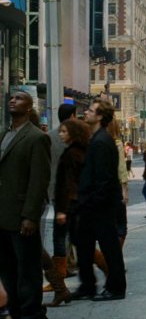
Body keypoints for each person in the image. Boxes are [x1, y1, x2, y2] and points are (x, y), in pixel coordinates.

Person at [0, 91, 51, 318]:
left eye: (19, 98)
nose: (13, 100)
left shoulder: (36, 137)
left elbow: (39, 180)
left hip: (22, 217)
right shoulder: (4, 135)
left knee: (28, 269)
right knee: (8, 270)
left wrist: (30, 216)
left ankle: (32, 312)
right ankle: (16, 310)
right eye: (11, 98)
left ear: (29, 107)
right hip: (3, 216)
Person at [72, 98, 127, 301]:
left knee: (110, 247)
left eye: (91, 110)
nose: (86, 113)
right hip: (90, 205)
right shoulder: (95, 139)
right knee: (84, 245)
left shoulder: (102, 141)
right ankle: (87, 285)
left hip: (100, 206)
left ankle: (116, 287)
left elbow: (104, 179)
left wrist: (90, 202)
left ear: (100, 116)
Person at [44, 118, 91, 307]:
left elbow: (67, 185)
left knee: (62, 242)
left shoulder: (71, 154)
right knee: (78, 241)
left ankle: (60, 285)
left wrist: (62, 210)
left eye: (64, 132)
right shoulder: (80, 151)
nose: (60, 134)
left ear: (73, 133)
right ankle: (108, 269)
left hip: (68, 206)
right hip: (75, 205)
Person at [43, 104, 76, 293]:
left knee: (61, 235)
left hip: (56, 193)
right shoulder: (80, 137)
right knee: (73, 234)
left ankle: (60, 275)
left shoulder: (48, 138)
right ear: (73, 115)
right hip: (75, 193)